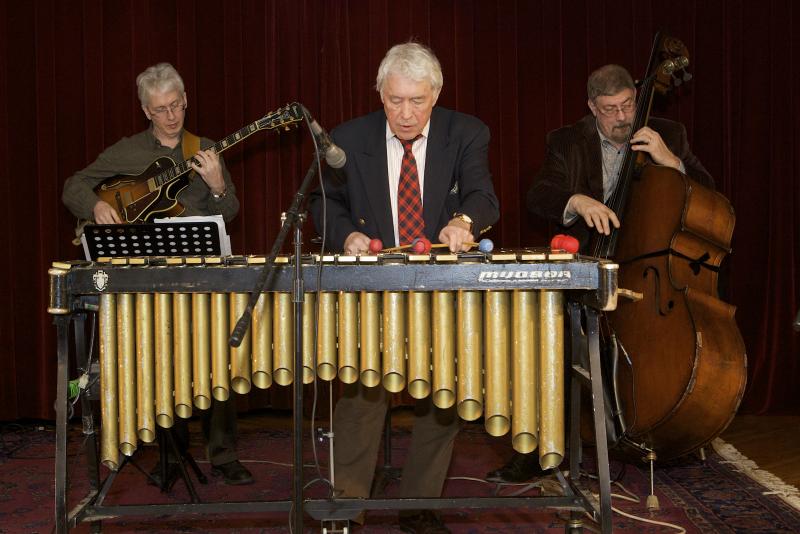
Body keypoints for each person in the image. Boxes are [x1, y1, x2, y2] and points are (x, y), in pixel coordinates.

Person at [486, 63, 714, 483]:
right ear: (592, 107)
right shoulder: (567, 140)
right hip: (588, 264)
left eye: (628, 105)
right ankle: (541, 448)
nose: (622, 118)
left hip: (649, 267)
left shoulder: (669, 134)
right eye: (610, 110)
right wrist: (577, 200)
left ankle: (661, 432)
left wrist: (671, 161)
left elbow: (709, 193)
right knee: (548, 341)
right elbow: (540, 194)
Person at [308, 42, 499, 533]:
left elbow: (482, 195)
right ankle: (347, 506)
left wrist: (462, 222)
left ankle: (419, 505)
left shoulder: (466, 132)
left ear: (436, 94)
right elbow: (324, 203)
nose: (406, 113)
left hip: (440, 287)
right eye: (395, 101)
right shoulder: (347, 139)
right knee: (361, 397)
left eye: (417, 100)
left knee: (441, 399)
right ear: (380, 94)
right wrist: (345, 235)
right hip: (373, 287)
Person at [62, 62, 251, 486]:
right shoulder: (126, 152)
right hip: (150, 280)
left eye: (176, 106)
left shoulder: (204, 148)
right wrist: (95, 206)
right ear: (146, 111)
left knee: (218, 362)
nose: (171, 116)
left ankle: (224, 454)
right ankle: (171, 453)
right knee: (162, 364)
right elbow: (73, 185)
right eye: (161, 109)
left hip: (201, 276)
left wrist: (218, 185)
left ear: (186, 102)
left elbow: (230, 212)